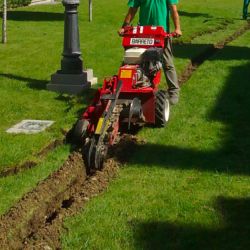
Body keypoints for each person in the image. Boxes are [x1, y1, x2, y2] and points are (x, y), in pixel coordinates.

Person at [119, 0, 182, 105]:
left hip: (162, 33)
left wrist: (177, 28)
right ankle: (129, 87)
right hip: (144, 32)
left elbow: (173, 9)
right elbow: (132, 9)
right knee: (134, 60)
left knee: (167, 63)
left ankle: (174, 92)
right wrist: (124, 27)